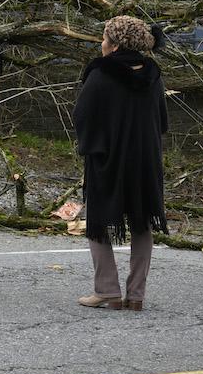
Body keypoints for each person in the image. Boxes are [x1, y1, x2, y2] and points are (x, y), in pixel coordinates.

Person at [72, 15, 168, 311]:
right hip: (145, 160)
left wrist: (91, 147)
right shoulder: (153, 74)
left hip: (108, 158)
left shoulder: (101, 74)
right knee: (142, 221)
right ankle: (136, 295)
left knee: (98, 222)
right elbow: (162, 120)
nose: (101, 44)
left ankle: (107, 290)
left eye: (104, 39)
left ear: (114, 45)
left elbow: (83, 116)